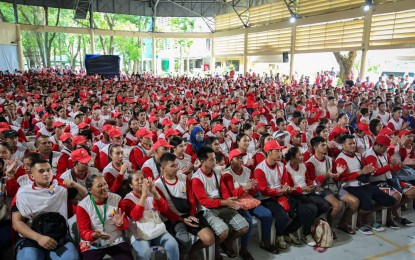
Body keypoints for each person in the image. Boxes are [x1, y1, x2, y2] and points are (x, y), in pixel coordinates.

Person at [13, 157, 86, 260]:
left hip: (59, 236)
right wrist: (39, 238)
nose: (46, 173)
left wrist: (75, 184)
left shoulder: (61, 190)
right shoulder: (23, 193)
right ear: (32, 176)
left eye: (48, 170)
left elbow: (86, 197)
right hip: (32, 237)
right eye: (41, 171)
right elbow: (17, 223)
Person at [191, 146, 248, 259]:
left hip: (221, 203)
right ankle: (216, 247)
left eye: (214, 158)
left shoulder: (217, 171)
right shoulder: (197, 178)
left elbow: (224, 190)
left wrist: (229, 200)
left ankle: (226, 243)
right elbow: (204, 201)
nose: (215, 161)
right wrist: (225, 202)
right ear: (203, 161)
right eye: (211, 159)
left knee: (244, 227)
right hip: (206, 209)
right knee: (223, 231)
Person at [155, 153, 215, 260]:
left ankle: (191, 252)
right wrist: (181, 219)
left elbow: (191, 199)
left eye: (176, 165)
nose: (176, 168)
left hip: (189, 214)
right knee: (184, 241)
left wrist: (192, 214)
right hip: (172, 219)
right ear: (163, 168)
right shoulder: (158, 185)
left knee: (209, 239)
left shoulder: (183, 178)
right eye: (172, 166)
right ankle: (182, 256)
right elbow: (164, 210)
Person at [221, 149, 279, 258]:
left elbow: (253, 191)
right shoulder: (227, 174)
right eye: (237, 158)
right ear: (231, 160)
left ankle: (265, 242)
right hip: (235, 202)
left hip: (248, 200)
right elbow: (229, 195)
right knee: (248, 221)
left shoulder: (247, 170)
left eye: (241, 157)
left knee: (267, 215)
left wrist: (252, 187)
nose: (240, 160)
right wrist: (244, 188)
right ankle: (244, 249)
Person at [335, 134, 397, 235]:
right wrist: (361, 172)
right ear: (342, 145)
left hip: (364, 184)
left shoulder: (358, 155)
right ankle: (357, 222)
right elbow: (341, 178)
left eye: (354, 143)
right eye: (349, 144)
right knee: (368, 204)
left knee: (390, 201)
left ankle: (363, 219)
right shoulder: (340, 158)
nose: (352, 145)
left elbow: (367, 169)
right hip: (349, 186)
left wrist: (370, 170)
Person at [254, 140, 302, 251]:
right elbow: (264, 191)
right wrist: (280, 191)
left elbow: (285, 181)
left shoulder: (281, 165)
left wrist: (285, 188)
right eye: (277, 151)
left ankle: (287, 232)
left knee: (303, 209)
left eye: (281, 151)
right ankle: (279, 235)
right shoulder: (259, 169)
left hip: (280, 194)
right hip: (267, 198)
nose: (281, 153)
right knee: (282, 216)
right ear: (269, 152)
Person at [305, 136, 358, 236]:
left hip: (334, 187)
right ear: (315, 148)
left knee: (355, 201)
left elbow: (336, 178)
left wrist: (338, 174)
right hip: (321, 189)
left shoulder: (330, 160)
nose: (326, 147)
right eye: (323, 145)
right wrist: (326, 176)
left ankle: (343, 223)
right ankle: (329, 227)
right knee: (337, 205)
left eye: (326, 144)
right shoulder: (310, 163)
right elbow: (312, 184)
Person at [123, 170, 180, 260]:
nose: (141, 181)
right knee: (145, 252)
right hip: (138, 235)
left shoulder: (152, 193)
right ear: (130, 185)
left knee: (173, 244)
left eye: (142, 178)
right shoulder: (127, 200)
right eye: (137, 180)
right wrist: (144, 195)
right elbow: (136, 216)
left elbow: (164, 209)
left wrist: (154, 192)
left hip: (157, 230)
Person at [76, 173, 132, 259]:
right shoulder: (83, 206)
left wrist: (120, 224)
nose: (105, 188)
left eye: (105, 184)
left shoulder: (116, 199)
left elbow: (125, 225)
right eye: (99, 186)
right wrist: (94, 235)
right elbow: (84, 232)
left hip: (115, 240)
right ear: (90, 190)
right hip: (93, 243)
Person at [283, 147, 325, 246]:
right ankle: (304, 233)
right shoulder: (287, 169)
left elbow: (307, 180)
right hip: (294, 195)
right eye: (299, 155)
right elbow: (289, 189)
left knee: (324, 206)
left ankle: (308, 225)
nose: (302, 157)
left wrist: (314, 183)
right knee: (310, 210)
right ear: (292, 158)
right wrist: (302, 189)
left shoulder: (303, 166)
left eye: (302, 154)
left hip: (306, 192)